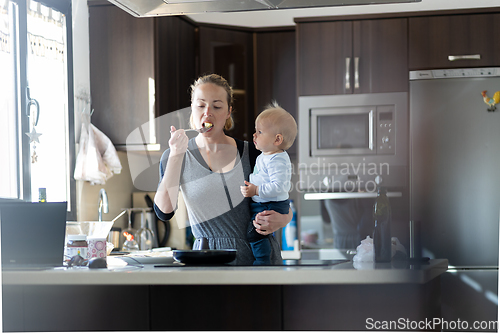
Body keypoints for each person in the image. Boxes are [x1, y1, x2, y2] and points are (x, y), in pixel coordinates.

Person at [153, 74, 292, 265]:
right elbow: (164, 211)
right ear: (192, 108)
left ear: (228, 112)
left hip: (257, 264)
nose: (207, 112)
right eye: (201, 105)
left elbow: (282, 199)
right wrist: (177, 154)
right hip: (206, 265)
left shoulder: (252, 152)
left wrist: (284, 218)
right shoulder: (175, 155)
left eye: (217, 106)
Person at [240, 103, 297, 263]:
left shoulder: (276, 159)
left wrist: (256, 190)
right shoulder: (266, 155)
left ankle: (263, 261)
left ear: (277, 139)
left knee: (255, 233)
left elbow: (280, 187)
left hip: (269, 204)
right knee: (256, 233)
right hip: (265, 203)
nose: (254, 136)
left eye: (260, 132)